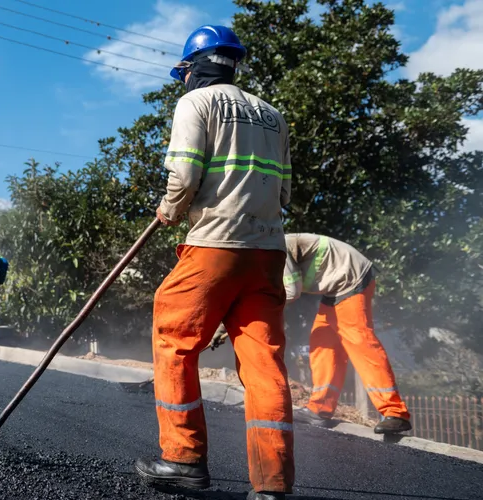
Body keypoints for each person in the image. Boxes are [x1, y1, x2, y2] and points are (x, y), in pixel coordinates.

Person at [134, 25, 295, 500]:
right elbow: (284, 192)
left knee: (174, 338)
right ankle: (272, 485)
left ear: (192, 67)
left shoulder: (196, 103)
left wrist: (169, 208)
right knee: (266, 364)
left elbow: (184, 174)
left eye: (182, 72)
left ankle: (182, 460)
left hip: (215, 245)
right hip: (267, 253)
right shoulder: (273, 115)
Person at [284, 233, 412, 434]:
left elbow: (291, 292)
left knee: (359, 340)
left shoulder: (274, 249)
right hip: (337, 284)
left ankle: (395, 412)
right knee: (322, 340)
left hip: (351, 277)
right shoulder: (262, 252)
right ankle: (320, 409)